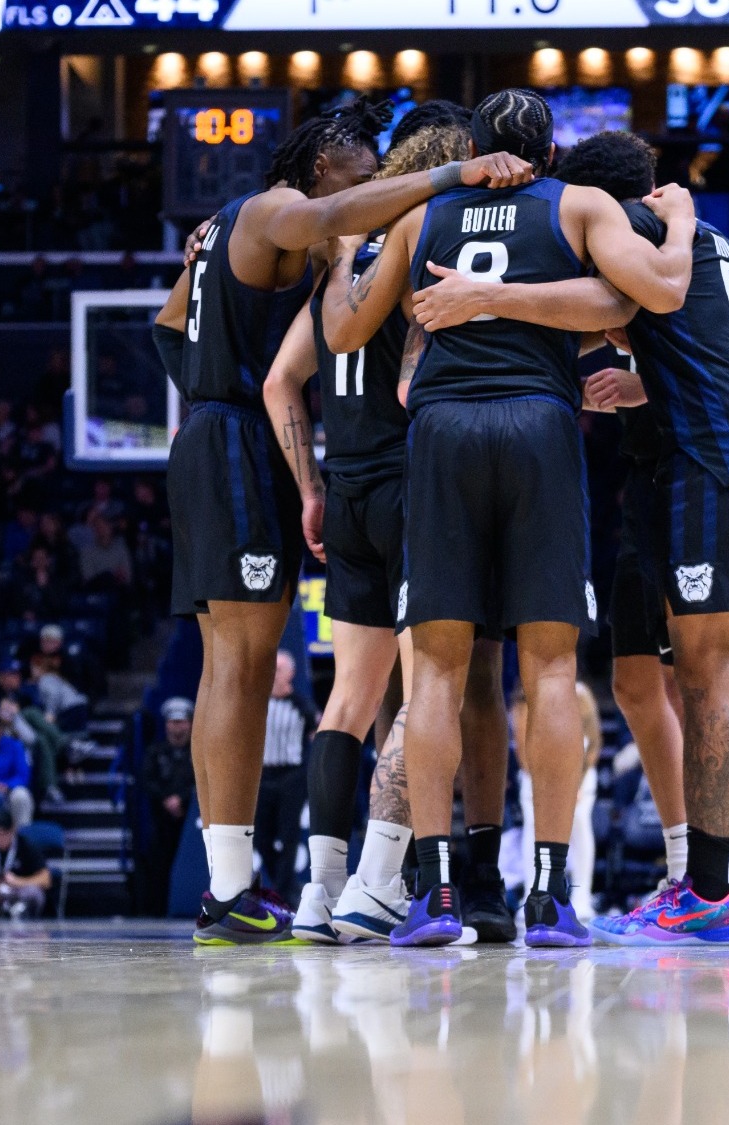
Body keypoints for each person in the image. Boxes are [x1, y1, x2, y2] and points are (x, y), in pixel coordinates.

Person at [151, 98, 531, 947]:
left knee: (249, 669)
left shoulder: (233, 233)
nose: (374, 185)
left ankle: (245, 886)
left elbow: (169, 326)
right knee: (254, 670)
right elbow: (330, 221)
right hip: (259, 448)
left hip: (220, 439)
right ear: (324, 160)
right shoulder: (280, 207)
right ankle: (276, 887)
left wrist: (217, 392)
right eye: (363, 170)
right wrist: (453, 175)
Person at [337, 97, 699, 948]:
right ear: (551, 150)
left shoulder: (423, 211)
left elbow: (351, 331)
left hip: (443, 431)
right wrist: (523, 301)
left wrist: (421, 289)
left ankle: (435, 894)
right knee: (549, 665)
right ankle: (549, 896)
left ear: (471, 148)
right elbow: (629, 303)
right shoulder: (577, 203)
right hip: (536, 425)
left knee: (435, 673)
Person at [260, 104, 514, 945]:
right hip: (411, 483)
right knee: (434, 681)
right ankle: (377, 880)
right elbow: (414, 371)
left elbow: (277, 383)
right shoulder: (417, 242)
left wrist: (307, 486)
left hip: (346, 487)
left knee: (350, 698)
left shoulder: (340, 255)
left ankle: (317, 890)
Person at [253, 650, 312, 901]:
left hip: (292, 776)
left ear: (291, 674)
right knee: (259, 836)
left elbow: (316, 731)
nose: (276, 674)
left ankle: (283, 891)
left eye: (280, 669)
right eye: (273, 669)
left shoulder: (301, 705)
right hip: (263, 775)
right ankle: (283, 883)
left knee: (289, 836)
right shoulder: (257, 703)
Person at [139, 696, 196, 913]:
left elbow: (199, 780)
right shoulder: (156, 752)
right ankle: (157, 909)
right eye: (173, 722)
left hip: (190, 821)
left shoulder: (196, 753)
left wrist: (181, 799)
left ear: (190, 723)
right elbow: (147, 780)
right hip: (161, 821)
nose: (177, 728)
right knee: (158, 865)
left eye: (181, 722)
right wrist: (166, 799)